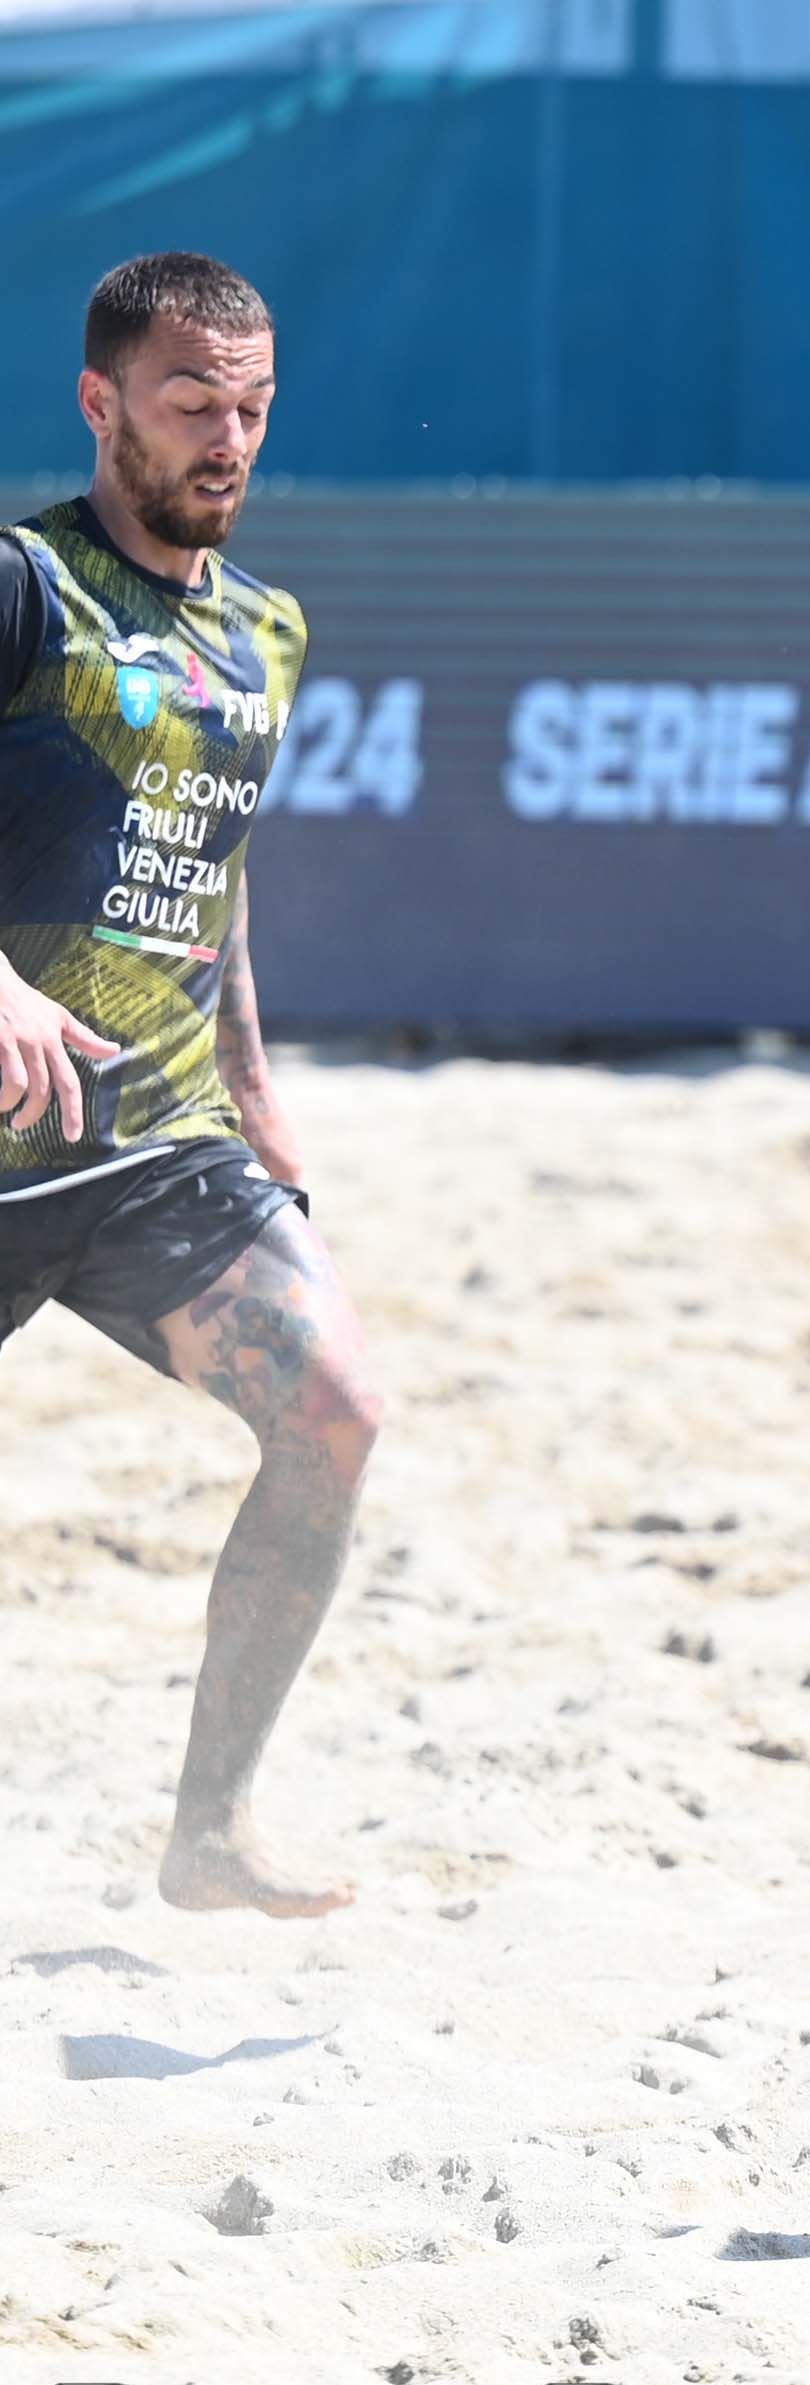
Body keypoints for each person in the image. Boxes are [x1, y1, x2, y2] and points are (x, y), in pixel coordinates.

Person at [0, 253, 375, 1919]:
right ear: (101, 404)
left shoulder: (265, 628)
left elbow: (212, 874)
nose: (228, 439)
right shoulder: (24, 587)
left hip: (152, 1137)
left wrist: (257, 1089)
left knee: (334, 1411)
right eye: (190, 403)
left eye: (253, 408)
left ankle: (209, 1830)